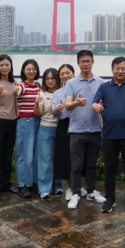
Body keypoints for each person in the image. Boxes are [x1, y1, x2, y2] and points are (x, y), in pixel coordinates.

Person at [92, 56, 125, 213]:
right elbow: (94, 103)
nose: (120, 71)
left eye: (123, 68)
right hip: (109, 135)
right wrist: (96, 107)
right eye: (117, 68)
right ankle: (110, 199)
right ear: (112, 70)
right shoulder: (104, 87)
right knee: (110, 168)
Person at [62, 50, 107, 209]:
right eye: (83, 61)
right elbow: (67, 105)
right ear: (78, 63)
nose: (86, 64)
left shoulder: (100, 82)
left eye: (88, 61)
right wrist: (77, 103)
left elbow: (105, 104)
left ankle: (91, 191)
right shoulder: (71, 83)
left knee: (92, 164)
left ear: (93, 62)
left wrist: (101, 109)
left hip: (95, 129)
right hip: (76, 130)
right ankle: (75, 193)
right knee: (76, 165)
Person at [0, 54, 19, 202]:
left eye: (7, 65)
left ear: (11, 66)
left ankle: (6, 184)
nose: (5, 67)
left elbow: (19, 96)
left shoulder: (14, 82)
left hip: (12, 121)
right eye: (2, 65)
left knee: (7, 155)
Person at [35, 68, 63, 199]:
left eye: (53, 78)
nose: (50, 81)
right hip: (45, 128)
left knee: (59, 158)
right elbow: (38, 113)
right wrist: (36, 103)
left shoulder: (63, 92)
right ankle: (44, 189)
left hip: (61, 128)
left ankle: (58, 185)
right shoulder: (42, 93)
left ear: (57, 79)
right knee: (45, 160)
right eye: (47, 78)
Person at [15, 59, 41, 198]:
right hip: (25, 122)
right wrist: (16, 91)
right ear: (24, 71)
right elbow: (17, 92)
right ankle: (23, 184)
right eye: (28, 69)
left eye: (34, 69)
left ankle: (32, 182)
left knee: (35, 155)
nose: (31, 71)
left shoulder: (38, 86)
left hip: (37, 121)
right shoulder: (21, 85)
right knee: (25, 155)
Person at [53, 64, 75, 198]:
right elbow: (54, 113)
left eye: (67, 73)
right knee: (64, 157)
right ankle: (68, 188)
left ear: (73, 74)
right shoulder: (57, 93)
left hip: (78, 124)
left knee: (78, 156)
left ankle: (78, 186)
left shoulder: (79, 88)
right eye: (62, 74)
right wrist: (57, 109)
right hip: (63, 125)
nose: (65, 76)